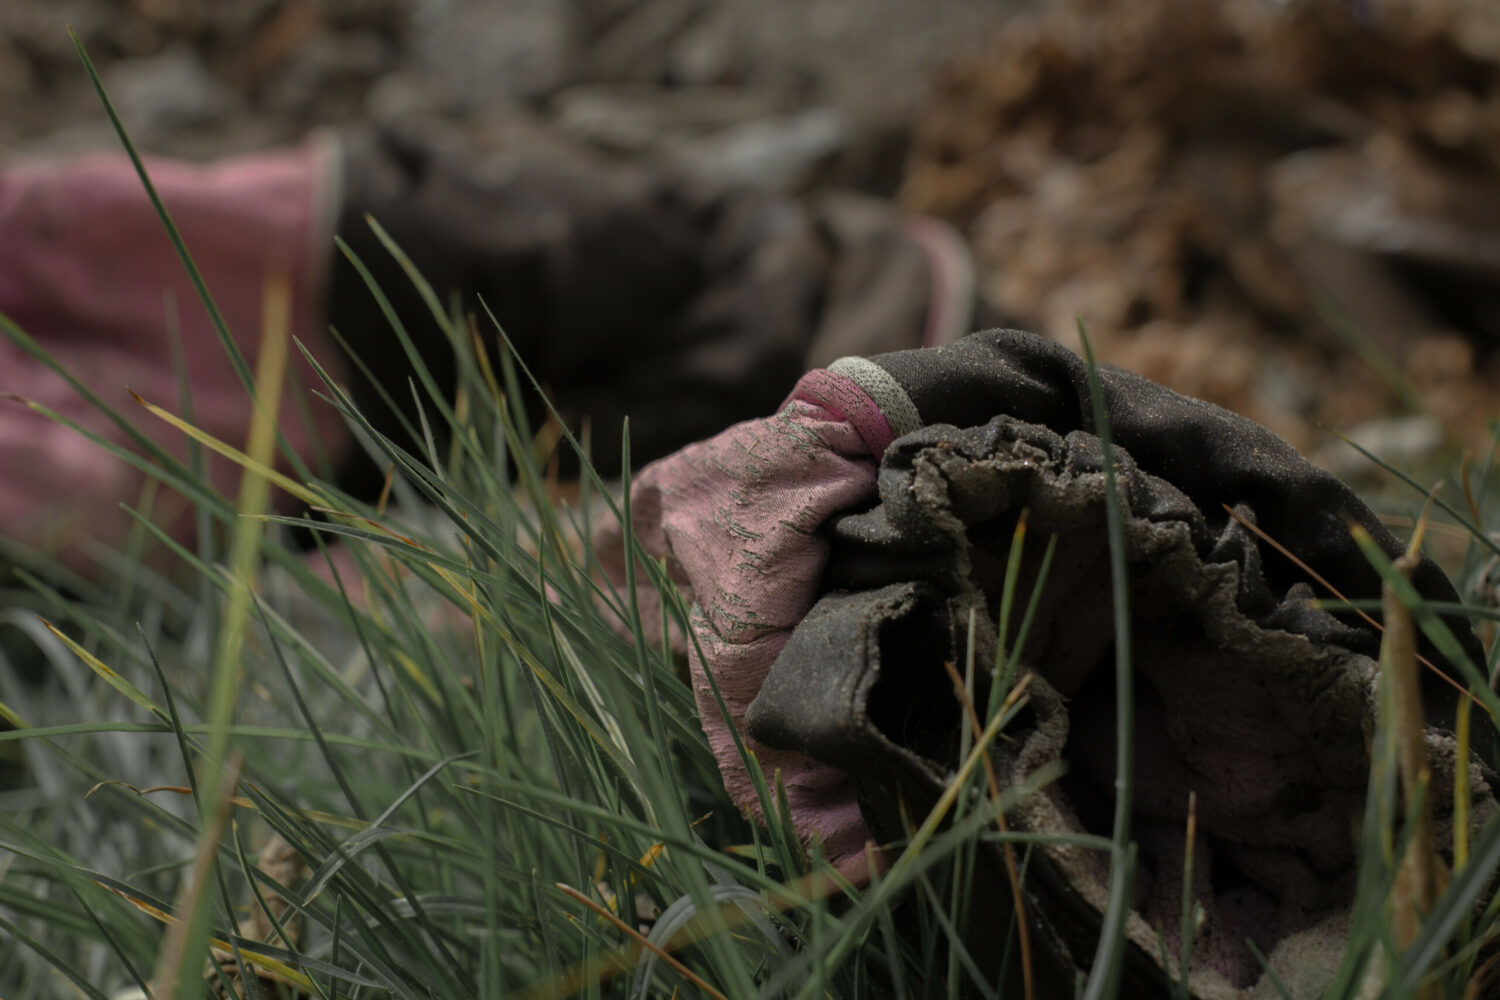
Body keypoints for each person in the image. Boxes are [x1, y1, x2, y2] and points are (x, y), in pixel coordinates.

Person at [0, 127, 976, 572]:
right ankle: (883, 394)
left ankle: (885, 388)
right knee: (672, 422)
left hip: (337, 276)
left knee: (687, 354)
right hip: (325, 400)